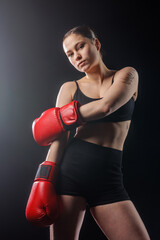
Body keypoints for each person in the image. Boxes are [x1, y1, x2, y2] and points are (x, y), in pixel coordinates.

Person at [26, 25, 151, 240]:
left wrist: (58, 118)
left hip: (109, 178)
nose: (76, 56)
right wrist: (43, 180)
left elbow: (107, 106)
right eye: (70, 54)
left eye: (80, 46)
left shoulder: (127, 75)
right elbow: (60, 140)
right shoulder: (69, 88)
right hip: (71, 174)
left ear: (96, 43)